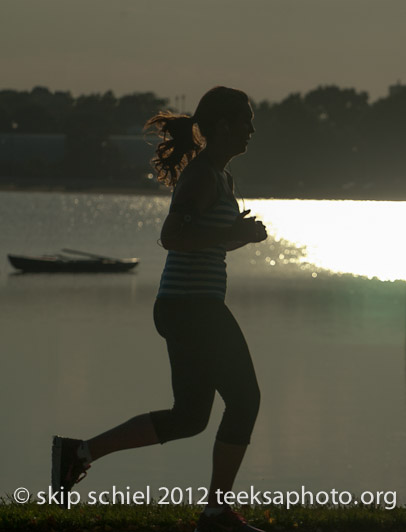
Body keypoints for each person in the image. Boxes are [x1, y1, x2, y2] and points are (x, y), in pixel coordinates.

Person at [51, 86, 268, 532]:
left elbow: (202, 244)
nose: (252, 129)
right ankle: (215, 513)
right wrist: (230, 232)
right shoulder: (202, 176)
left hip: (188, 307)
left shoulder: (221, 179)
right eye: (246, 120)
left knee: (190, 418)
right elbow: (172, 237)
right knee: (245, 399)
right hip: (192, 309)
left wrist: (238, 237)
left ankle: (78, 453)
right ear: (224, 126)